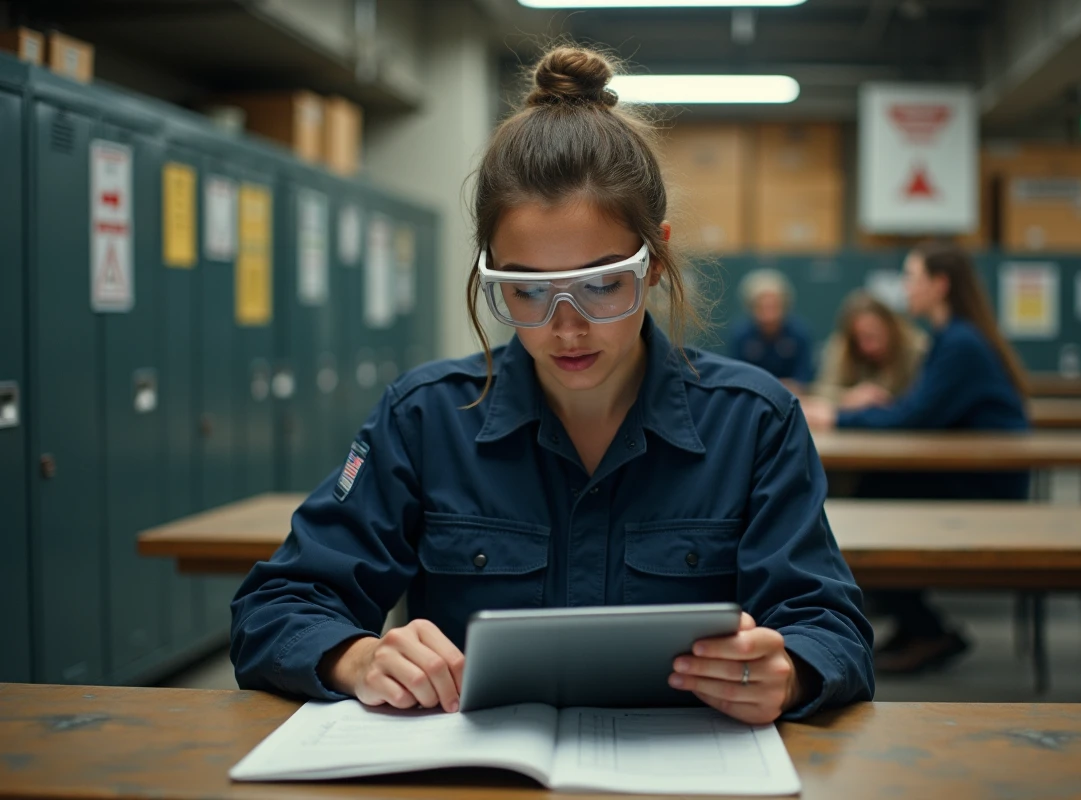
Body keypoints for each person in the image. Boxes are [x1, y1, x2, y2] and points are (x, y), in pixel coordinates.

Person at [230, 45, 873, 725]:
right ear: (490, 273)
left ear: (654, 261)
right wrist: (355, 658)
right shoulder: (425, 418)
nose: (567, 327)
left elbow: (833, 629)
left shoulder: (755, 422)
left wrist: (792, 671)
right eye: (528, 290)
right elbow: (277, 608)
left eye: (601, 283)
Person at [805, 241, 1030, 675]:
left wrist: (839, 416)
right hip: (972, 473)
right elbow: (917, 411)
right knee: (874, 492)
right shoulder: (954, 337)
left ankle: (925, 628)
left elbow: (914, 416)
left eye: (911, 277)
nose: (904, 287)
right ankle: (914, 624)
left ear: (940, 284)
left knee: (872, 501)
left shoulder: (960, 343)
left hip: (986, 485)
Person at [812, 289, 928, 411]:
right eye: (859, 338)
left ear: (891, 327)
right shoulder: (842, 348)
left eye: (874, 335)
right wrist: (848, 396)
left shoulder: (916, 349)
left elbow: (925, 399)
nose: (867, 346)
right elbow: (821, 391)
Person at [729, 269, 815, 395]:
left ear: (784, 305)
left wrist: (793, 386)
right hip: (753, 395)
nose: (769, 315)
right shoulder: (741, 335)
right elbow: (735, 375)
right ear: (751, 307)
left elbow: (805, 376)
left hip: (792, 396)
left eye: (774, 306)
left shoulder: (799, 333)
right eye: (762, 307)